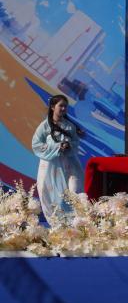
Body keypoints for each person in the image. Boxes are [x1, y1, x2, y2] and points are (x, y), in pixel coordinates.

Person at [32, 95, 84, 224]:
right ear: (52, 107)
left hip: (69, 165)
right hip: (50, 166)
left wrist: (69, 145)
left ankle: (76, 223)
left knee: (73, 193)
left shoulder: (70, 126)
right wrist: (57, 147)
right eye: (61, 106)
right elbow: (36, 145)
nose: (63, 108)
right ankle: (57, 225)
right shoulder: (44, 126)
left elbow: (76, 143)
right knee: (52, 196)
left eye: (65, 106)